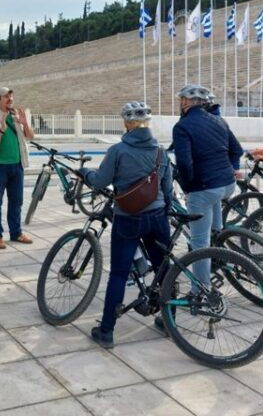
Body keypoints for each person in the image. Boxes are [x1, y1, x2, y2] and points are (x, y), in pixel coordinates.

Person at [80, 101, 173, 348]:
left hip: (128, 217)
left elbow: (100, 181)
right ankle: (169, 321)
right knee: (164, 268)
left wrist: (85, 173)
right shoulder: (160, 151)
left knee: (119, 274)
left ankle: (107, 331)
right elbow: (167, 189)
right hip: (157, 217)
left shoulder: (118, 150)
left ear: (128, 124)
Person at [172, 84, 243, 295]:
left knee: (199, 244)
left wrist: (188, 187)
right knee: (214, 227)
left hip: (204, 187)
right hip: (227, 185)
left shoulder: (182, 126)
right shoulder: (219, 120)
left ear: (185, 102)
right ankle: (218, 254)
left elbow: (184, 163)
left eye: (181, 100)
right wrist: (231, 169)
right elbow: (237, 150)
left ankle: (200, 291)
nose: (180, 103)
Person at [0, 87, 34, 248]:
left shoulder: (16, 116)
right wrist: (1, 130)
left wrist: (25, 123)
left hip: (17, 166)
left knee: (17, 202)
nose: (10, 99)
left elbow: (30, 137)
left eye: (11, 96)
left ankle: (16, 233)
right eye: (6, 97)